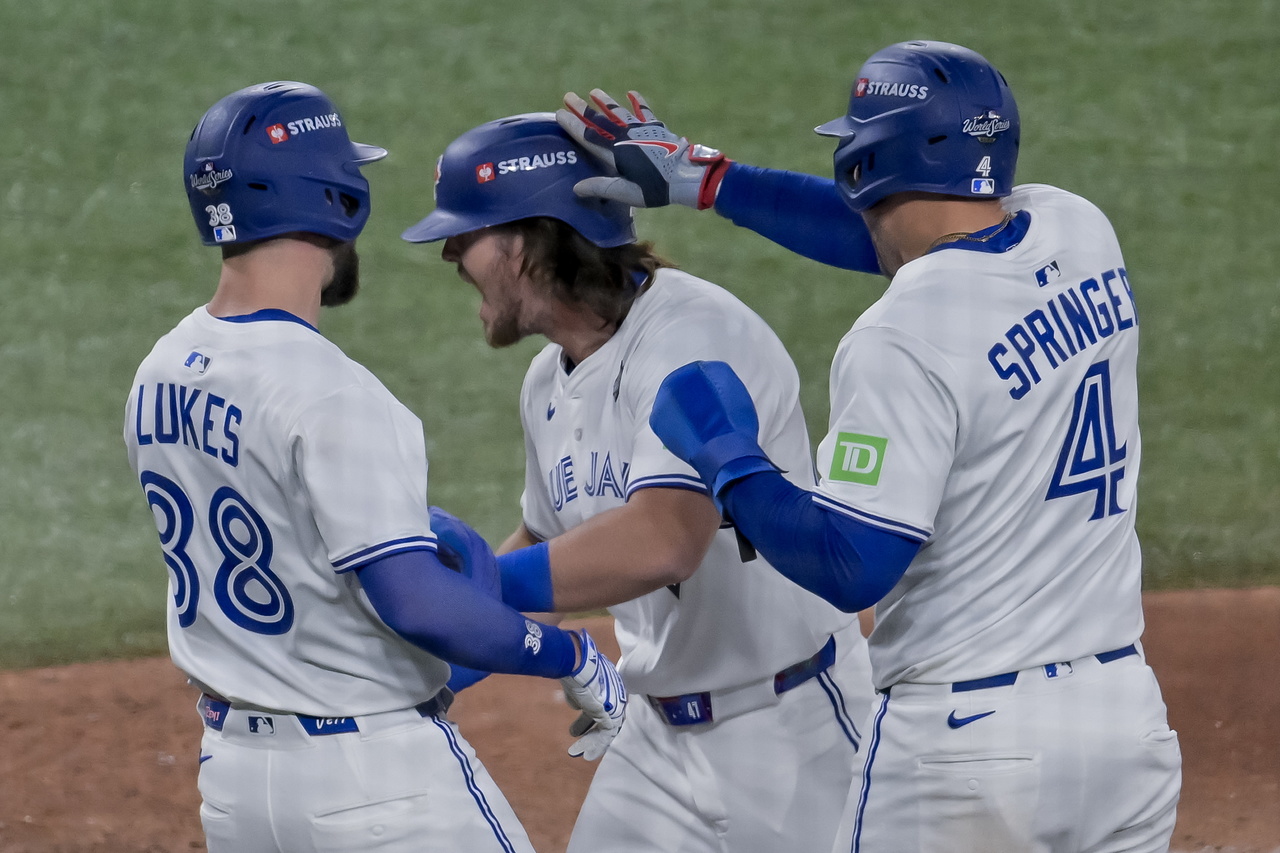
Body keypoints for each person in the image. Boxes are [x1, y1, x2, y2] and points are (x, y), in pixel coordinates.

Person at [558, 40, 1182, 852]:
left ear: (861, 167)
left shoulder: (898, 339)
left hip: (968, 752)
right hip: (1125, 726)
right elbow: (913, 245)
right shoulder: (1077, 230)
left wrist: (728, 458)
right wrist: (709, 179)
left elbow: (851, 562)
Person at [123, 81, 625, 853]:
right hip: (376, 790)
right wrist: (574, 655)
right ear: (337, 199)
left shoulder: (160, 370)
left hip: (235, 788)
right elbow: (416, 603)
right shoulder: (332, 391)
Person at [401, 113, 873, 853]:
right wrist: (426, 659)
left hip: (793, 735)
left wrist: (479, 580)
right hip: (655, 742)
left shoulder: (693, 334)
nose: (450, 252)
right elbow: (551, 548)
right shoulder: (547, 380)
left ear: (533, 239)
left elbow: (663, 539)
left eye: (469, 233)